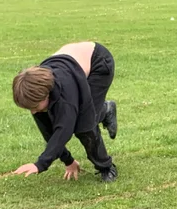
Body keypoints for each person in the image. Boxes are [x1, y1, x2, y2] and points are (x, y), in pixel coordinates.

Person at [12, 42, 118, 183]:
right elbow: (49, 131)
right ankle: (105, 110)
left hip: (98, 63)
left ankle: (106, 167)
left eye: (35, 106)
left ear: (47, 95)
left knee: (84, 126)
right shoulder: (35, 94)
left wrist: (41, 164)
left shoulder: (65, 98)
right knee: (80, 117)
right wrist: (68, 161)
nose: (33, 111)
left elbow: (64, 130)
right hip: (73, 67)